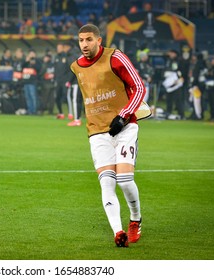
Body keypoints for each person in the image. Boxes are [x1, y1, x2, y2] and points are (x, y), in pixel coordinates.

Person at [70, 24, 145, 247]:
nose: (84, 44)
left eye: (89, 39)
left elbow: (138, 87)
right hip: (97, 132)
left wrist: (123, 115)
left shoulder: (116, 57)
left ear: (99, 40)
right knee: (106, 184)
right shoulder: (76, 67)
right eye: (81, 40)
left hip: (124, 127)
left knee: (123, 179)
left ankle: (135, 219)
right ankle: (118, 232)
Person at [22, 49, 40, 115]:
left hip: (33, 81)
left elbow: (39, 68)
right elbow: (22, 67)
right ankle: (30, 110)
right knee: (27, 97)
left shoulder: (37, 61)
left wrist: (34, 64)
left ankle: (34, 110)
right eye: (30, 54)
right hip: (26, 81)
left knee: (33, 96)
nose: (31, 55)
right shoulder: (26, 61)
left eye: (33, 54)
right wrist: (26, 61)